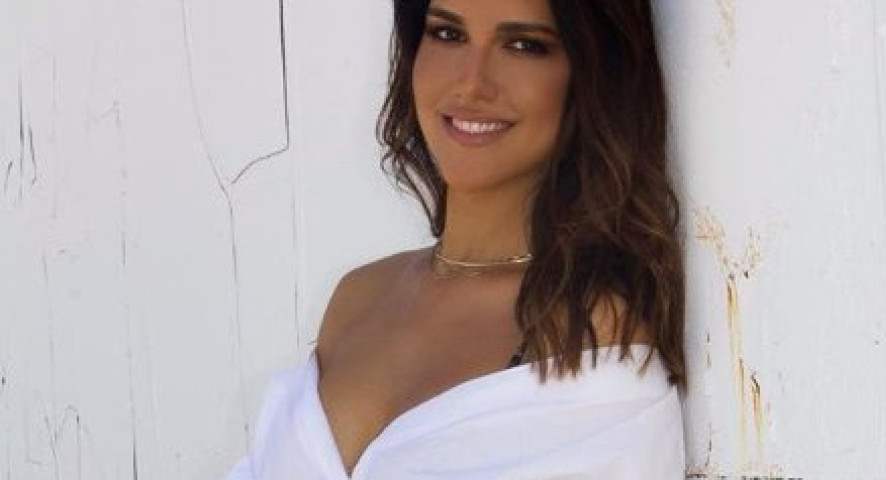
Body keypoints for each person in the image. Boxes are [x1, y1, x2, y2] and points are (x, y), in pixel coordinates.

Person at [224, 0, 686, 478]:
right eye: (447, 34)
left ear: (591, 73)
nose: (471, 83)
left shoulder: (591, 327)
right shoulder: (359, 298)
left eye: (523, 45)